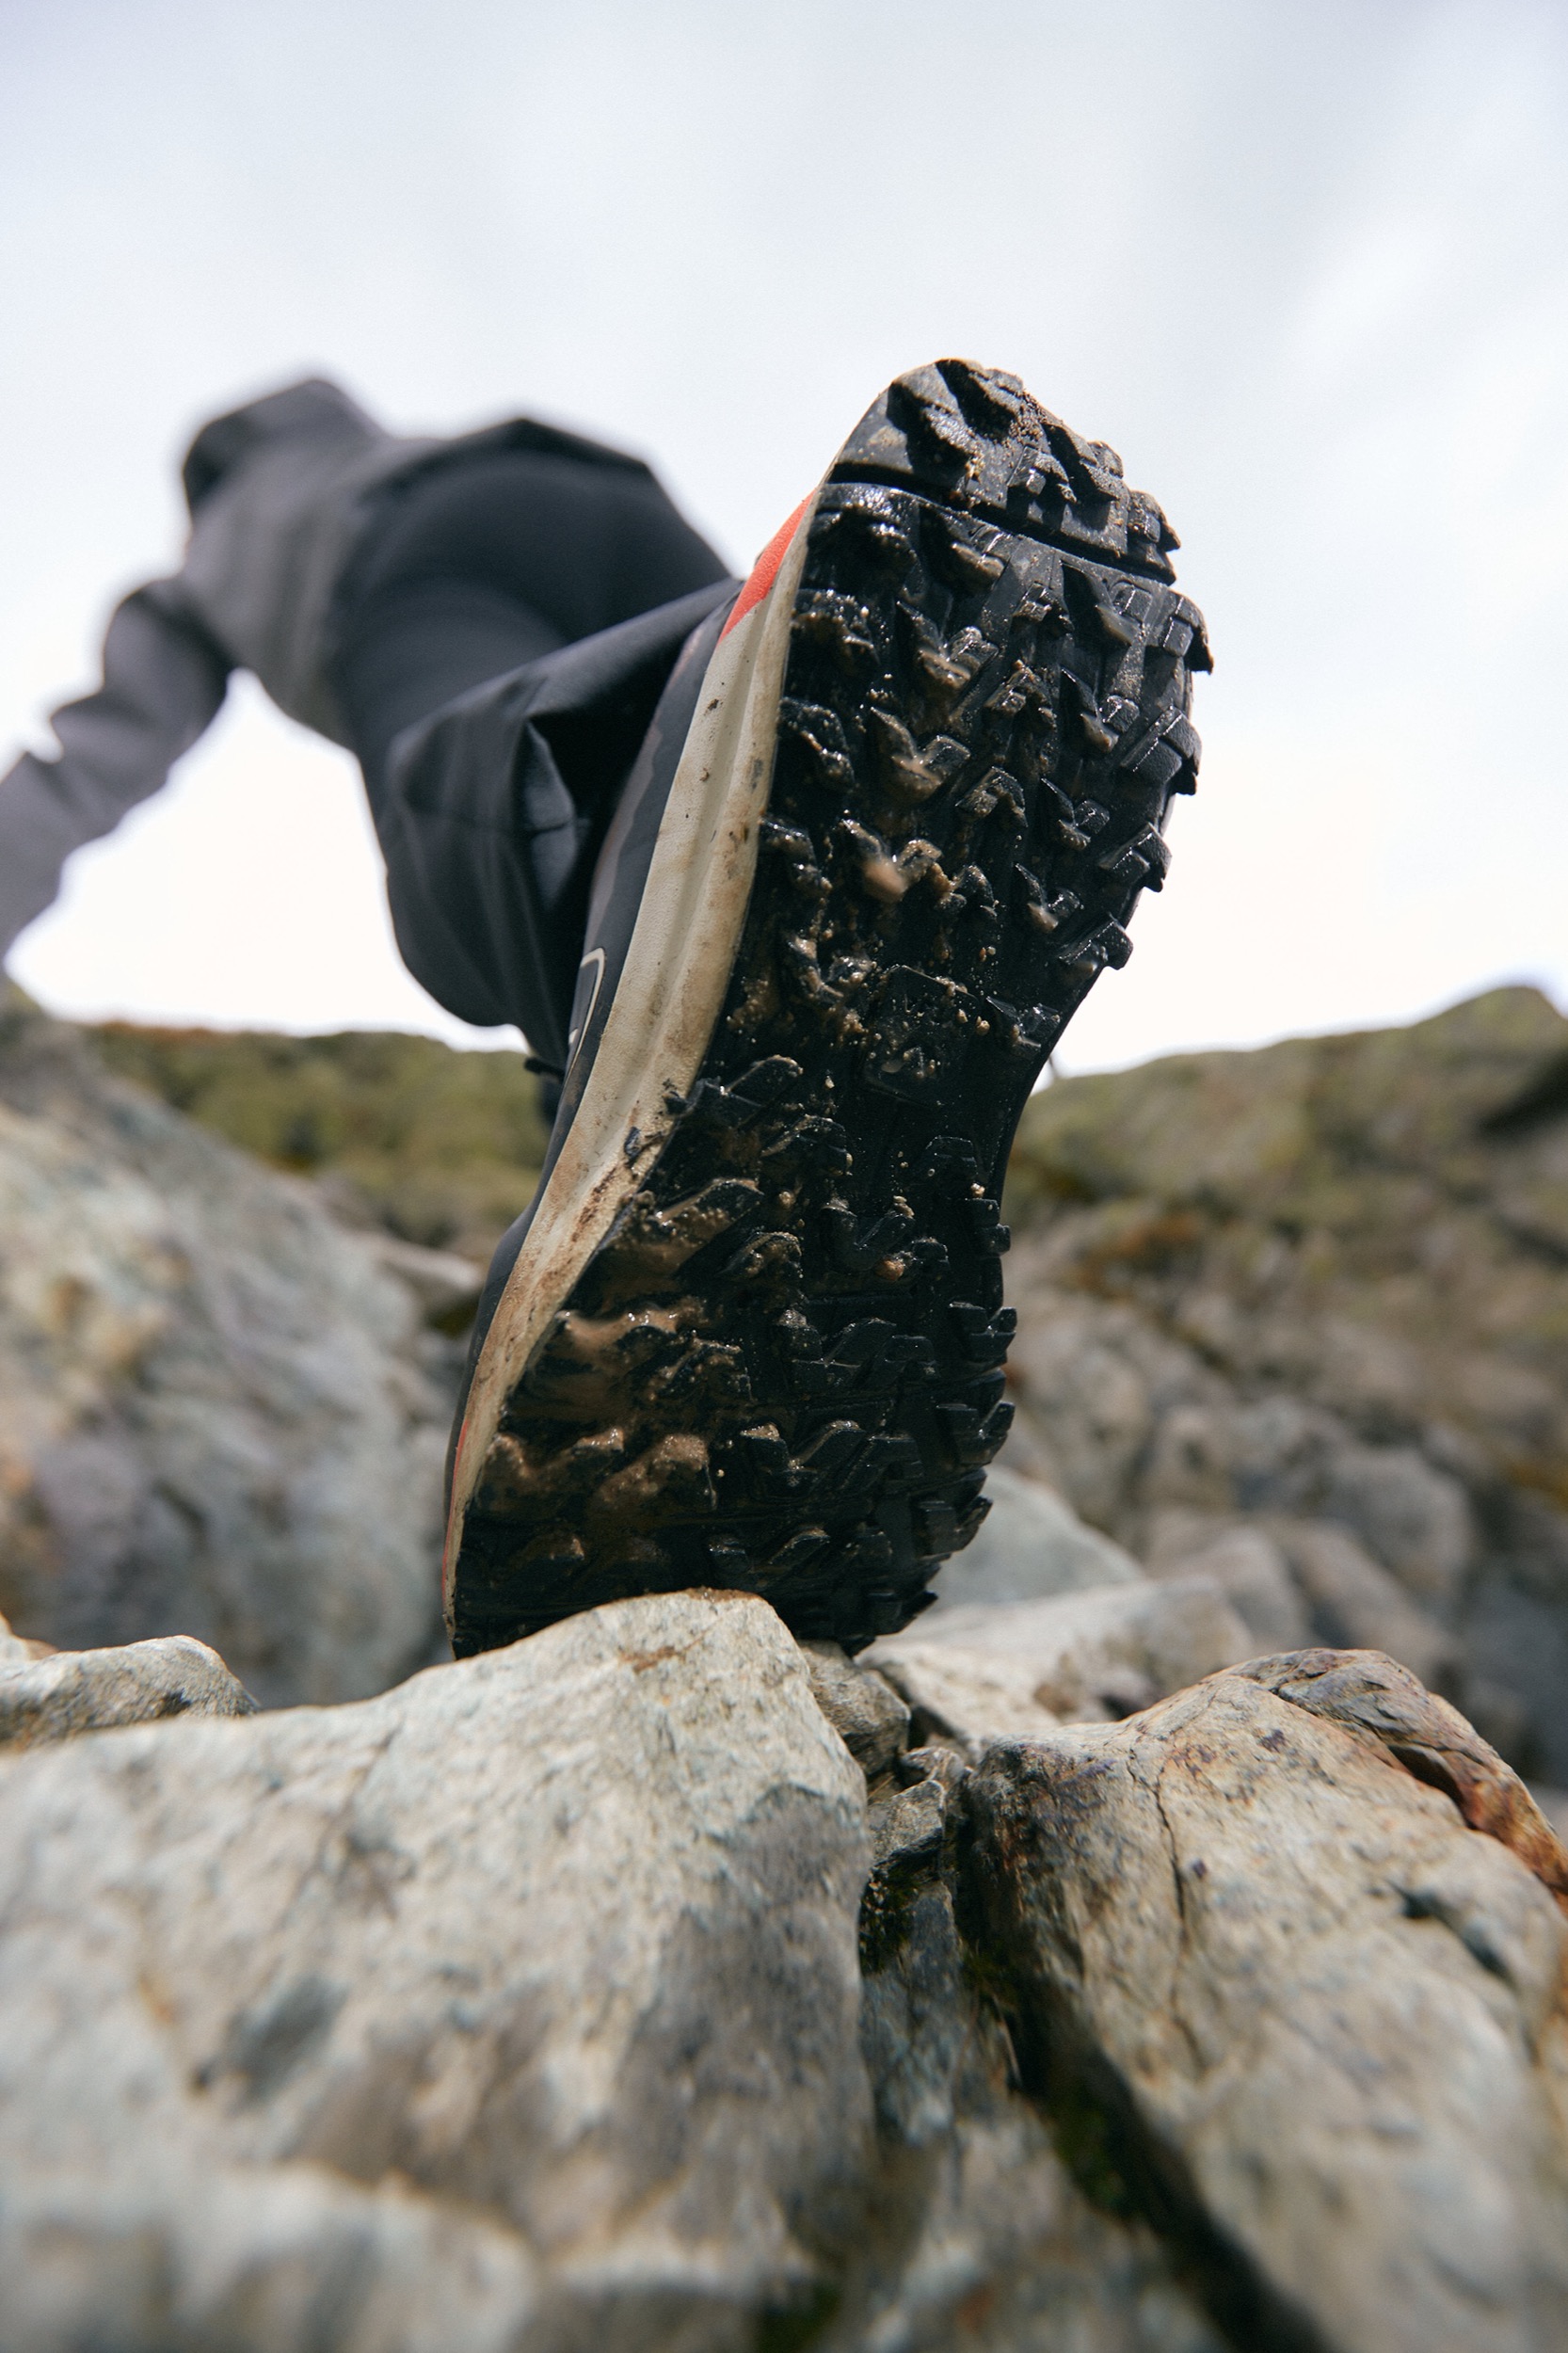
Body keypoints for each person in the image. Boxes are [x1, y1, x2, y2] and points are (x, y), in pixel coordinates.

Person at [0, 362, 1210, 1656]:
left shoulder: (216, 557)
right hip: (597, 498)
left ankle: (645, 1174)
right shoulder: (398, 431)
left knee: (472, 833)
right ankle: (869, 709)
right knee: (761, 693)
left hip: (414, 569)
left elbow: (95, 756)